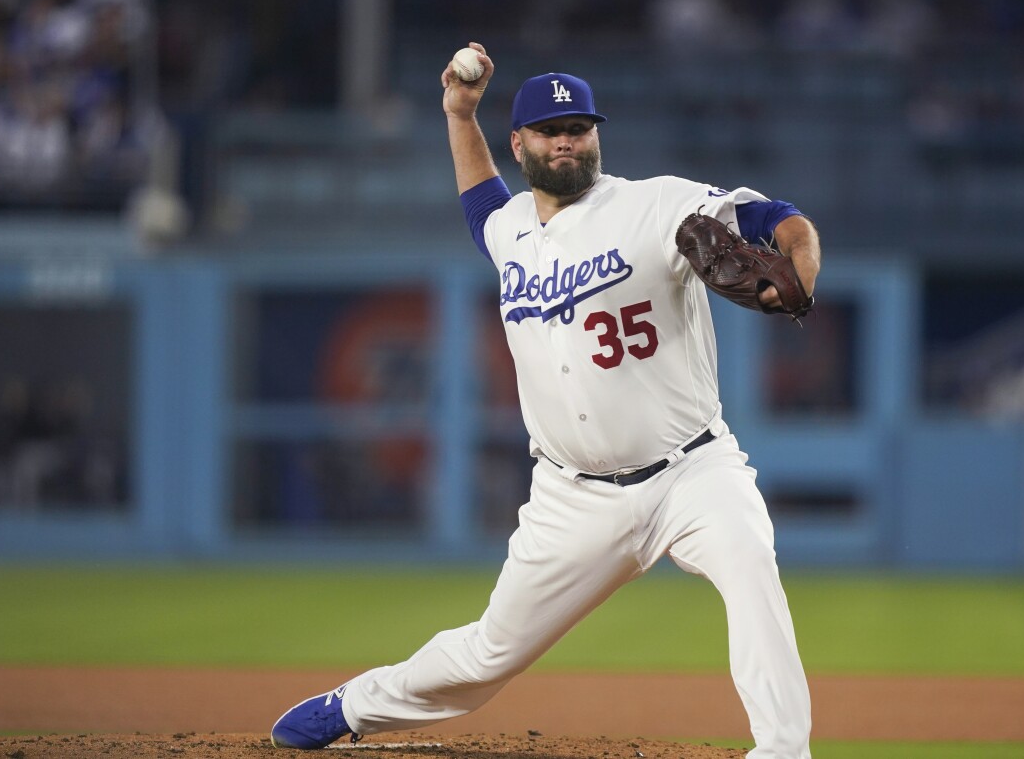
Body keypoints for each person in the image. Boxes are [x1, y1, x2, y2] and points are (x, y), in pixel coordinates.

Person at [270, 42, 820, 759]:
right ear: (521, 143)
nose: (568, 140)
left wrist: (801, 266)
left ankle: (784, 751)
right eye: (552, 131)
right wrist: (458, 113)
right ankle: (355, 704)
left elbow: (781, 220)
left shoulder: (654, 203)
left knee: (750, 562)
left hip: (692, 472)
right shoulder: (510, 233)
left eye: (581, 128)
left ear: (596, 136)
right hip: (572, 499)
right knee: (488, 656)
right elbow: (479, 204)